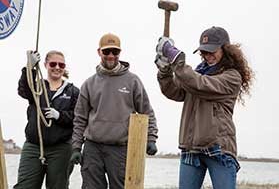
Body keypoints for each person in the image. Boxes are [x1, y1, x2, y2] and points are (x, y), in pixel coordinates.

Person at [154, 26, 254, 189]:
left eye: (212, 51)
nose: (208, 56)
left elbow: (200, 85)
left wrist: (176, 58)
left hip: (219, 148)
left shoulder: (232, 77)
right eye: (204, 52)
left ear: (225, 50)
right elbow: (174, 92)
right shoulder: (198, 74)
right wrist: (165, 71)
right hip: (191, 147)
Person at [70, 33, 158, 189]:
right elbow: (80, 118)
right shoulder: (89, 84)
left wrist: (151, 137)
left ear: (119, 53)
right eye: (107, 51)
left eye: (115, 52)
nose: (111, 55)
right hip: (92, 148)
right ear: (99, 52)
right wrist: (76, 147)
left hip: (120, 148)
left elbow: (146, 112)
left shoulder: (133, 81)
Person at [14, 50, 80, 189]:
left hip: (61, 148)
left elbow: (78, 118)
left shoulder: (73, 91)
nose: (57, 67)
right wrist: (29, 68)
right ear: (45, 65)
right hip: (34, 146)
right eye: (53, 64)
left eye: (61, 65)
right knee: (25, 186)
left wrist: (59, 116)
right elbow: (23, 90)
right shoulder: (36, 86)